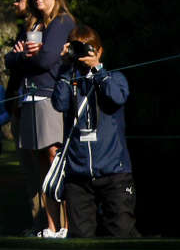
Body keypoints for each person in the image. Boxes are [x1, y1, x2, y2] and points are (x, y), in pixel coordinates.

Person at [7, 0, 75, 236]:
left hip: (51, 96)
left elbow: (45, 60)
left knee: (55, 159)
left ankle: (66, 225)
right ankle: (50, 225)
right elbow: (10, 59)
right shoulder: (34, 24)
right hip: (29, 98)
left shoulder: (62, 22)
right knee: (40, 164)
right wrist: (23, 56)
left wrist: (22, 56)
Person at [51, 26, 135, 237]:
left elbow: (116, 97)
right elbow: (59, 103)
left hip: (113, 172)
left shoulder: (115, 78)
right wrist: (64, 67)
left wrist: (98, 70)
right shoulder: (70, 82)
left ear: (99, 51)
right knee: (81, 240)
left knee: (121, 234)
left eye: (86, 49)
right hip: (78, 175)